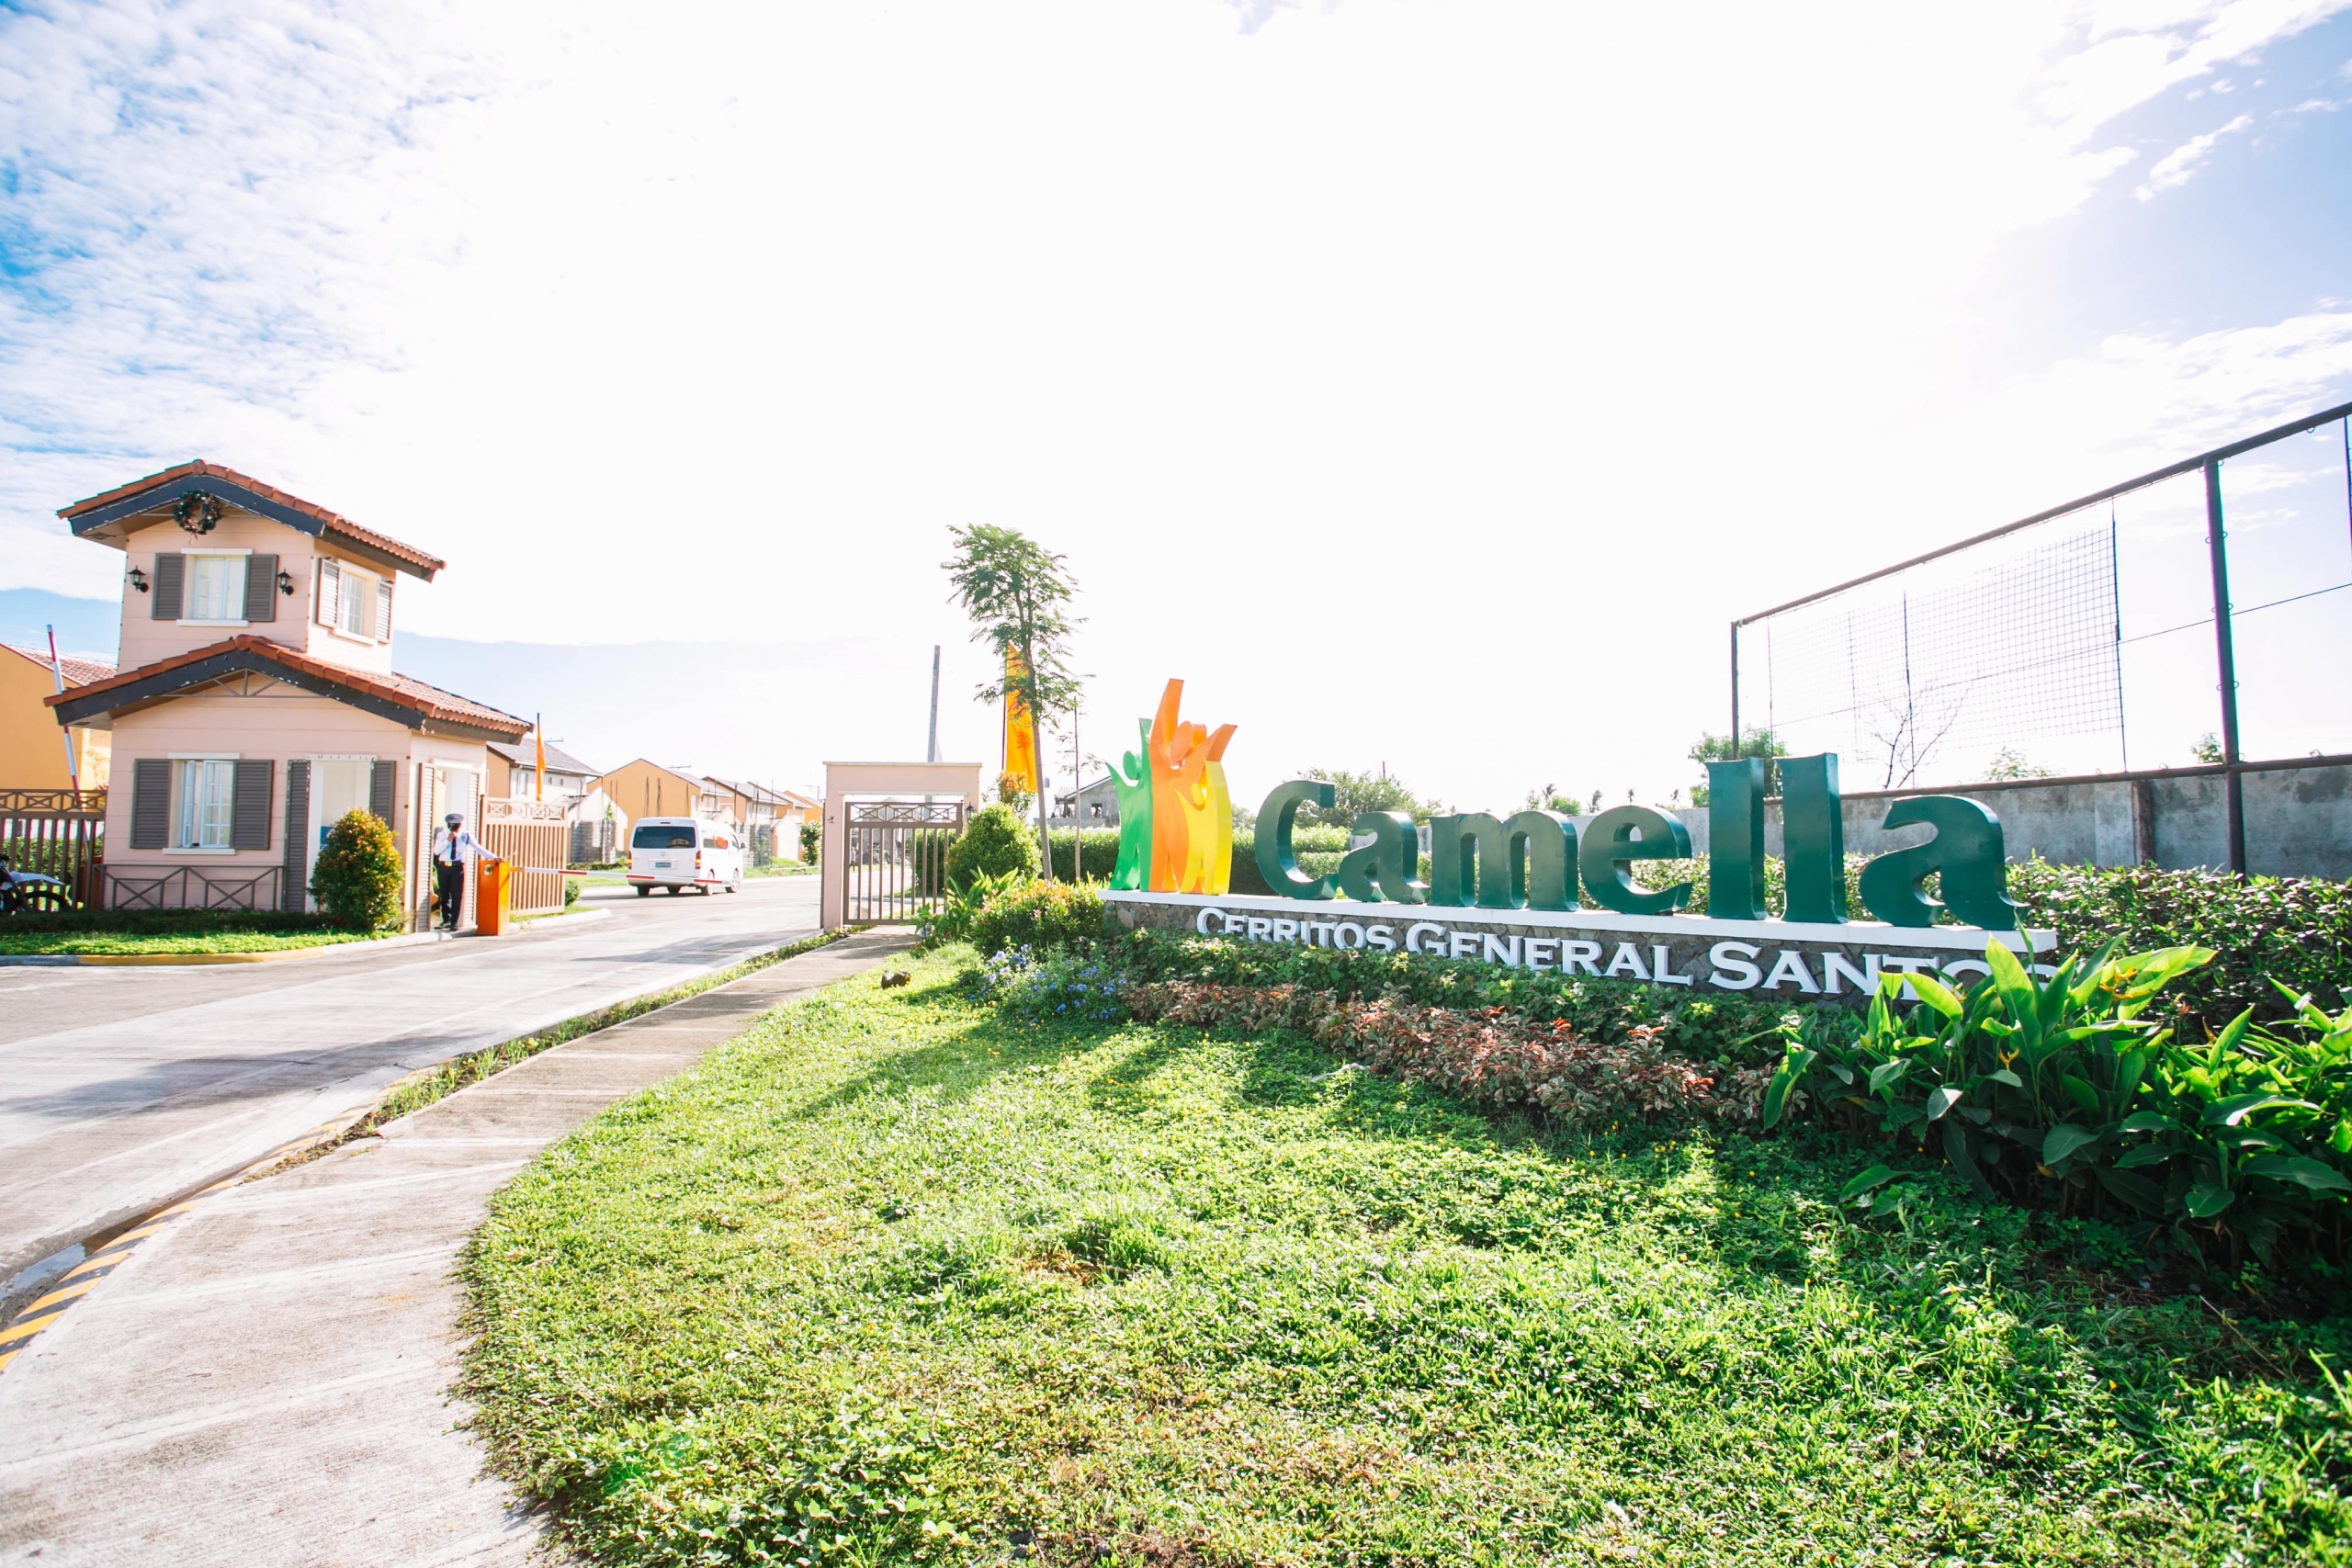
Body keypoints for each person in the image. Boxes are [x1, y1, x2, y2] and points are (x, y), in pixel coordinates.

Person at [430, 811, 500, 931]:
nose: (454, 829)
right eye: (451, 826)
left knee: (456, 894)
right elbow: (437, 851)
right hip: (444, 867)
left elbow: (478, 848)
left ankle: (454, 922)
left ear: (460, 825)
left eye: (456, 826)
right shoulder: (442, 835)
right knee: (444, 894)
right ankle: (445, 920)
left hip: (457, 867)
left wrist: (493, 857)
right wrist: (448, 840)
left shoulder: (465, 836)